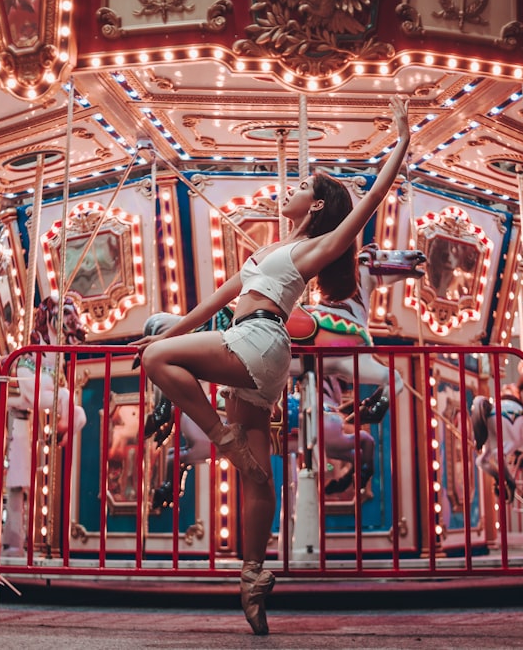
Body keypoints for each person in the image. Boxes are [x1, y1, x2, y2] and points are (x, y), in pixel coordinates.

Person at [132, 95, 410, 635]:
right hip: (255, 343)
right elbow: (201, 311)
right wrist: (164, 334)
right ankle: (254, 579)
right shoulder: (262, 256)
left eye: (303, 186)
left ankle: (219, 438)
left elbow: (372, 197)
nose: (293, 189)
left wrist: (402, 140)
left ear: (318, 206)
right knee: (256, 477)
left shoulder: (311, 250)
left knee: (158, 359)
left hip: (260, 338)